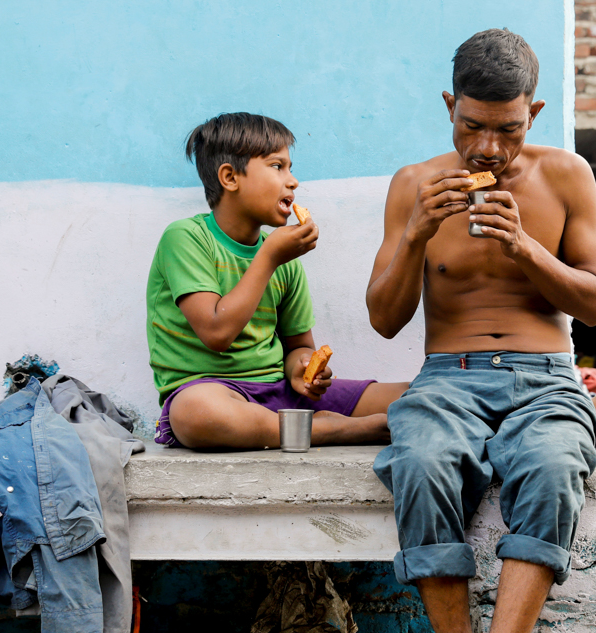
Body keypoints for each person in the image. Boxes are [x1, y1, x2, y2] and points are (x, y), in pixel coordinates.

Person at [366, 29, 596, 633]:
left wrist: (526, 249)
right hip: (446, 376)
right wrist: (418, 230)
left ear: (536, 112)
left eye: (508, 129)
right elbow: (385, 319)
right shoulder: (413, 184)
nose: (489, 148)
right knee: (419, 463)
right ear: (450, 107)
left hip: (545, 374)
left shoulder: (566, 176)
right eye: (472, 127)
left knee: (555, 470)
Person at [146, 112, 408, 449]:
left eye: (290, 167)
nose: (293, 181)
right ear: (229, 177)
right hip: (213, 392)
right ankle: (337, 430)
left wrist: (301, 368)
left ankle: (305, 425)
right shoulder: (186, 238)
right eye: (277, 166)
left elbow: (299, 344)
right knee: (195, 414)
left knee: (415, 395)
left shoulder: (282, 255)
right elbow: (216, 332)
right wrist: (268, 257)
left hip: (280, 394)